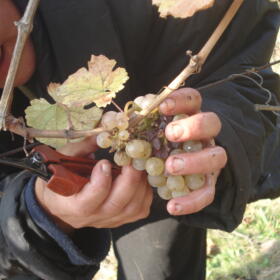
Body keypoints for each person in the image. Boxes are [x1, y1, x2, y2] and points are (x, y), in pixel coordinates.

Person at [0, 0, 279, 279]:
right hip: (120, 173)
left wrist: (222, 129)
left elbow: (247, 77)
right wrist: (36, 220)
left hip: (164, 171)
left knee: (160, 270)